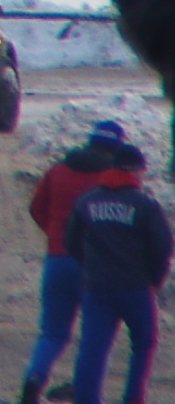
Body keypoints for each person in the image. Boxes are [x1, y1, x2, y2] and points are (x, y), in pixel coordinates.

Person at [35, 126, 143, 404]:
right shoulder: (107, 182)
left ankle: (34, 378)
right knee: (94, 336)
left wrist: (54, 233)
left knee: (53, 331)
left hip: (56, 259)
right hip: (93, 266)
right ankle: (83, 388)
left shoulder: (58, 170)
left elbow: (36, 207)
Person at [68, 140, 175, 404]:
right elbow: (163, 246)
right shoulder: (144, 205)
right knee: (143, 344)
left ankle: (86, 398)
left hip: (97, 288)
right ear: (136, 171)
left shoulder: (87, 201)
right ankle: (133, 398)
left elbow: (71, 240)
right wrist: (155, 278)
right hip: (135, 288)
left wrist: (90, 266)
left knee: (93, 348)